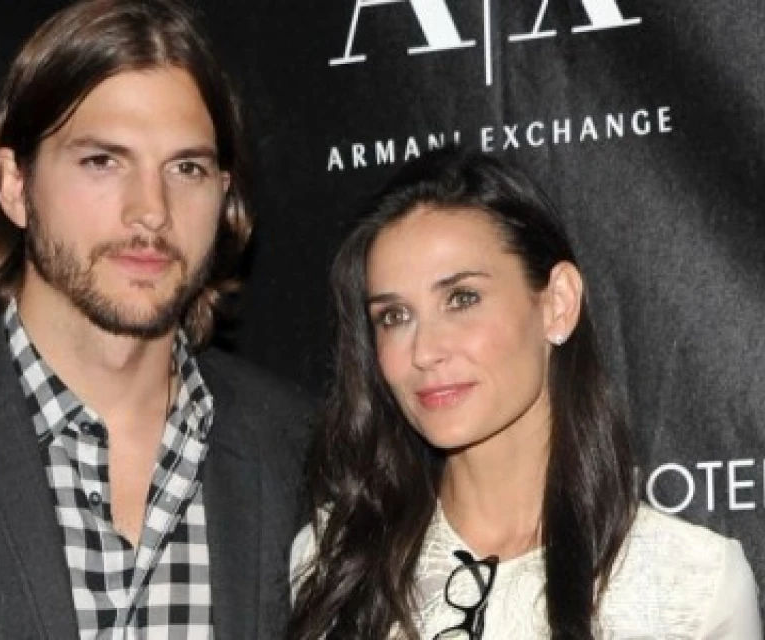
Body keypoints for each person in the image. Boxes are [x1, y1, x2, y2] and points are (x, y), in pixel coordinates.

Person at [0, 0, 310, 637]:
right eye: (102, 161)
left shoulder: (297, 447)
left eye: (186, 168)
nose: (151, 211)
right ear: (15, 185)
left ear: (223, 195)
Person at [288, 146, 761, 639]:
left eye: (462, 298)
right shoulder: (331, 562)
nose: (424, 351)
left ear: (558, 304)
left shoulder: (694, 586)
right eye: (394, 316)